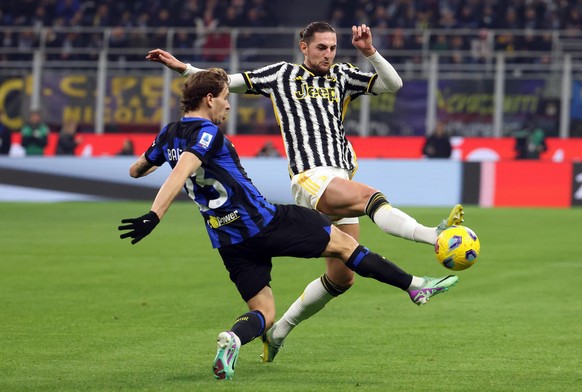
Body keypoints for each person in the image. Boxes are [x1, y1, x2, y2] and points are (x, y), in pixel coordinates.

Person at [146, 21, 464, 362]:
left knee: (342, 277)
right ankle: (436, 237)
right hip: (311, 177)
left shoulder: (343, 75)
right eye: (321, 48)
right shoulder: (280, 75)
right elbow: (226, 84)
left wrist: (369, 52)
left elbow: (393, 84)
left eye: (332, 48)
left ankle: (279, 331)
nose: (328, 54)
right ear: (304, 47)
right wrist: (185, 69)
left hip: (339, 174)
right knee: (371, 197)